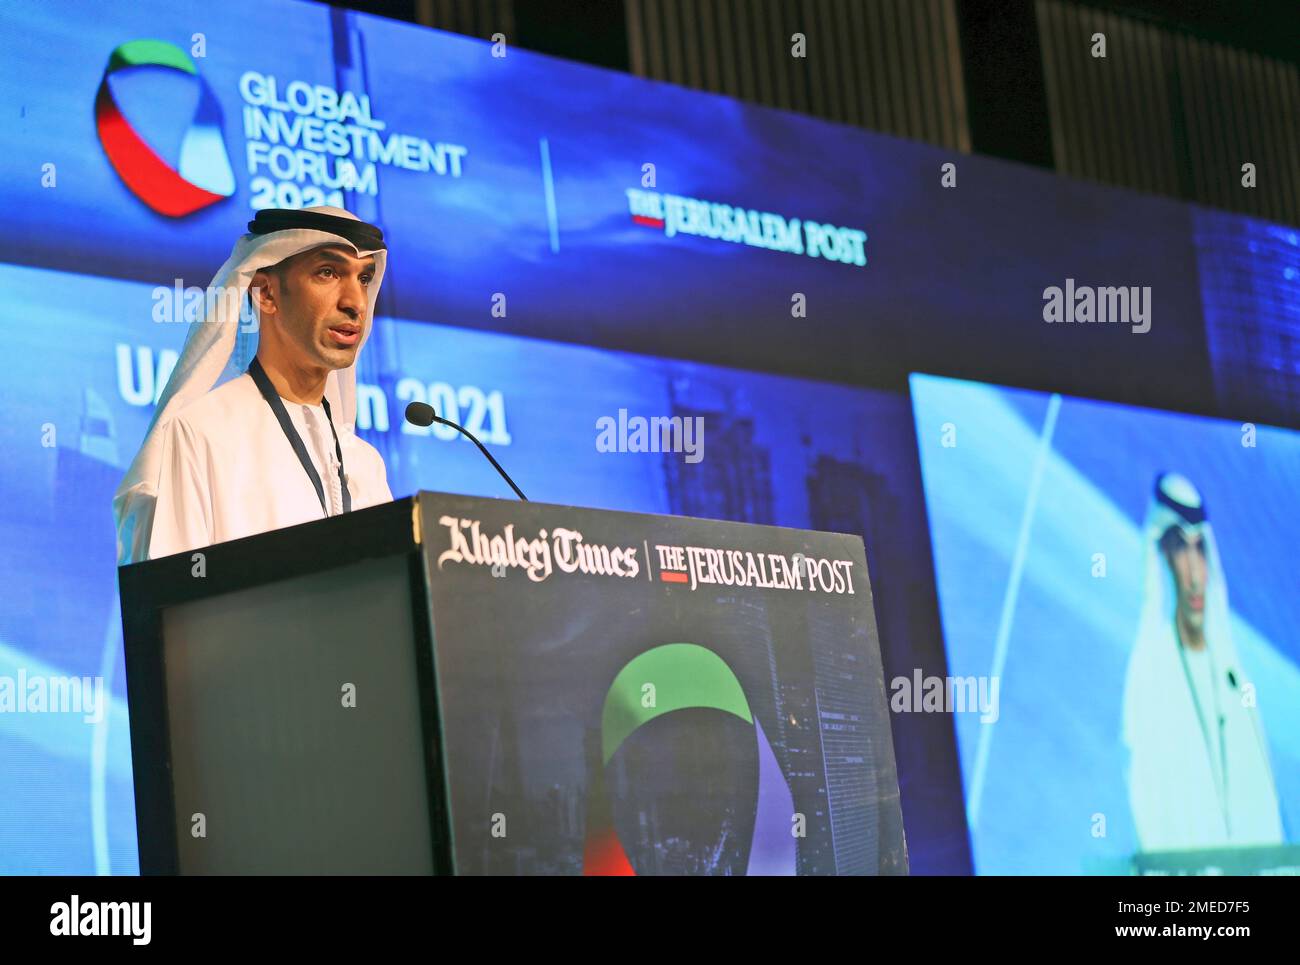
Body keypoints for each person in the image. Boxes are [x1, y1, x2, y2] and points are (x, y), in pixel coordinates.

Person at [113, 206, 393, 564]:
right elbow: (173, 607)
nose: (356, 302)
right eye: (328, 273)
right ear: (265, 294)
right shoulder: (200, 434)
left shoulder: (365, 464)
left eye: (364, 279)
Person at [1122, 472, 1283, 854]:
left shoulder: (1231, 677)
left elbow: (1266, 815)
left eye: (1200, 550)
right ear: (1161, 558)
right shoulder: (1151, 675)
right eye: (1180, 550)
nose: (1195, 577)